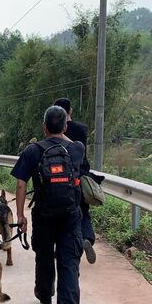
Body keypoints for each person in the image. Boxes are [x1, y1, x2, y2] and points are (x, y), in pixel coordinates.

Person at [11, 105, 85, 304]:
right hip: (70, 215)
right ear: (65, 126)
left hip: (43, 214)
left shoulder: (33, 151)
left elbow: (21, 183)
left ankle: (44, 294)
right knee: (68, 261)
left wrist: (20, 214)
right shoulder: (77, 148)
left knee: (44, 255)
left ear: (43, 127)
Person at [54, 97, 96, 264]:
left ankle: (61, 247)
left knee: (59, 214)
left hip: (57, 178)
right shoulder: (81, 129)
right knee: (83, 211)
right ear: (70, 111)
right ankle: (86, 238)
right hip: (78, 176)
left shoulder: (54, 129)